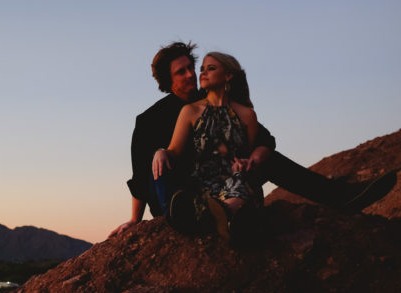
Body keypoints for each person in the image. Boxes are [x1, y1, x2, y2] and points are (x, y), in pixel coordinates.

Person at [109, 41, 396, 239]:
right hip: (179, 193)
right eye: (180, 72)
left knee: (264, 154)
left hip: (221, 180)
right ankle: (194, 213)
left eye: (190, 68)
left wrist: (256, 156)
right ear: (166, 82)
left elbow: (264, 138)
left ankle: (342, 197)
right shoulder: (147, 121)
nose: (190, 75)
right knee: (161, 163)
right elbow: (140, 179)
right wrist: (136, 220)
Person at [153, 52, 262, 242]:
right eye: (202, 68)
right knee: (188, 197)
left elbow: (251, 154)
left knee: (241, 184)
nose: (201, 73)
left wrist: (249, 162)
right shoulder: (190, 111)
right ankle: (225, 217)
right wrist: (161, 152)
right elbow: (174, 151)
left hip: (237, 181)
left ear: (228, 75)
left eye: (210, 69)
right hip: (203, 184)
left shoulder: (247, 115)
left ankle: (224, 214)